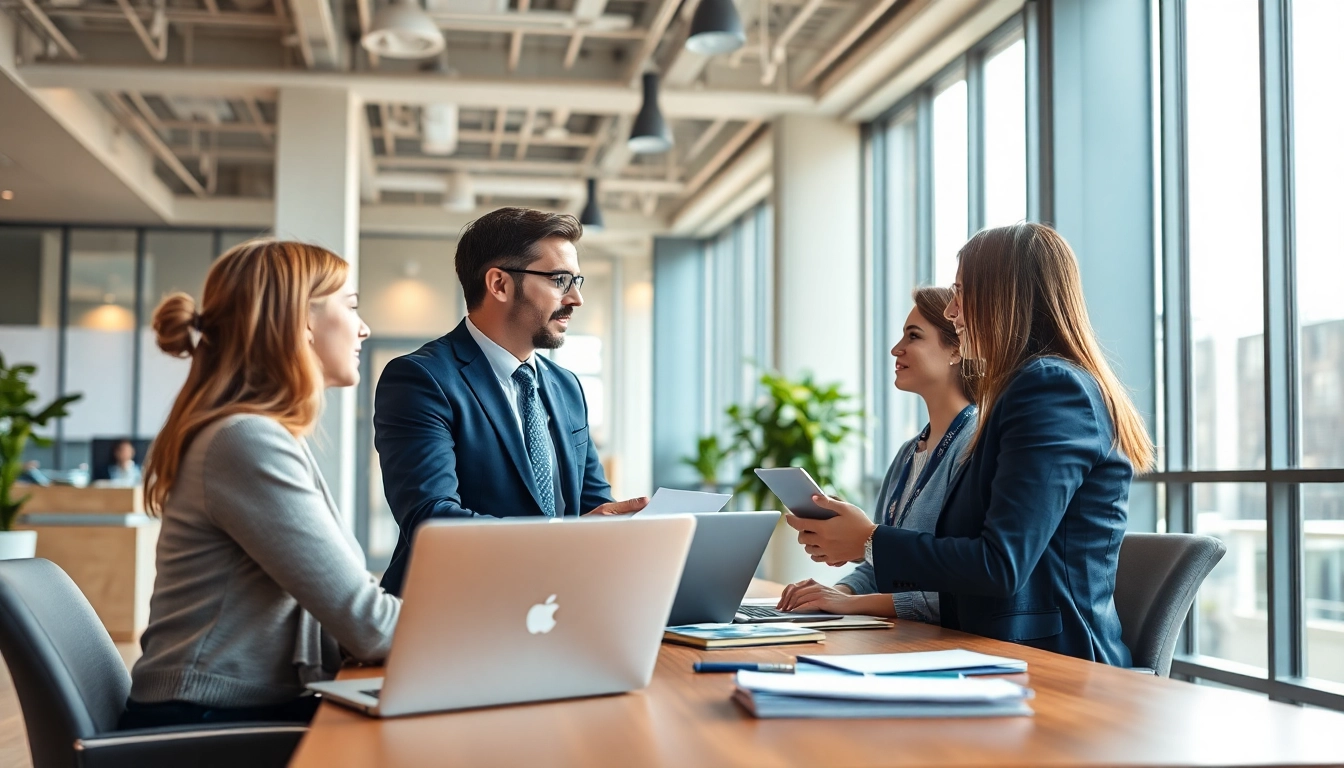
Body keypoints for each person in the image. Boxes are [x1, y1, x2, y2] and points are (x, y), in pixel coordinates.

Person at [786, 223, 1153, 665]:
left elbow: (1000, 565)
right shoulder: (1021, 394)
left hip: (1057, 665)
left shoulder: (1050, 387)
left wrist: (869, 540)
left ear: (1004, 296)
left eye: (962, 292)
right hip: (992, 650)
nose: (954, 312)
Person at [122, 240, 400, 729]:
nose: (363, 328)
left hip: (234, 711)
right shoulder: (244, 441)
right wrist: (485, 633)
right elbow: (366, 624)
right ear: (303, 320)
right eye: (351, 307)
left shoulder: (254, 435)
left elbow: (349, 612)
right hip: (204, 725)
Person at [374, 207, 646, 597]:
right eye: (559, 280)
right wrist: (564, 535)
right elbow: (431, 520)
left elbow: (593, 505)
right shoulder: (421, 378)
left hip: (556, 605)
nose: (577, 298)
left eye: (577, 280)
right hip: (454, 611)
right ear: (499, 284)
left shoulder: (566, 387)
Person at [776, 287, 977, 622]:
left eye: (914, 336)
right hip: (903, 640)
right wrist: (834, 594)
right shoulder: (907, 455)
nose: (896, 349)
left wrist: (850, 604)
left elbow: (955, 587)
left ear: (956, 349)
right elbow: (880, 571)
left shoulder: (976, 444)